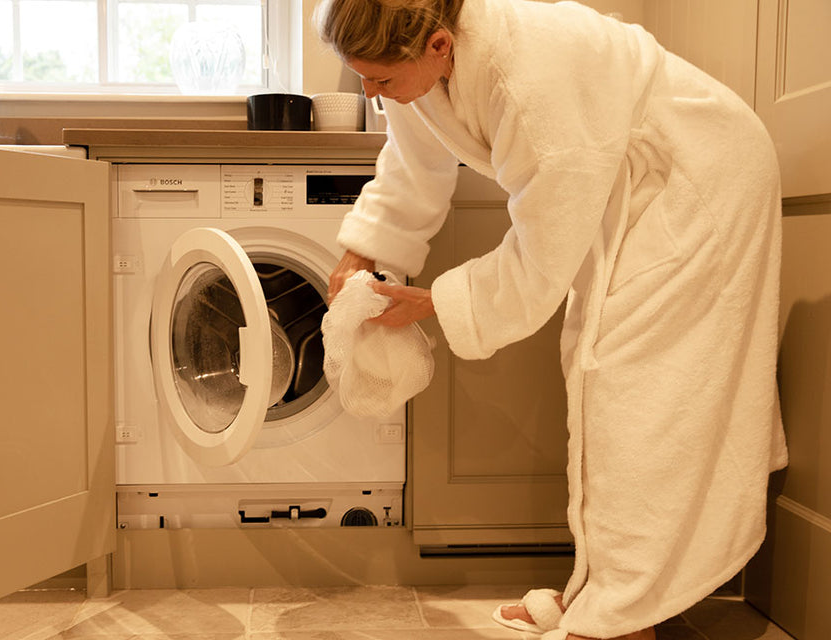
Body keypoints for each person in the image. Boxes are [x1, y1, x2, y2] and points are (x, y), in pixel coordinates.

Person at [314, 0, 789, 639]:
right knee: (600, 372)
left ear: (437, 46)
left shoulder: (528, 73)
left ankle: (623, 616)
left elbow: (540, 258)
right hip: (628, 185)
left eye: (380, 79)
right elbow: (412, 167)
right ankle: (607, 590)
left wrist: (434, 304)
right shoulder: (427, 69)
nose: (372, 94)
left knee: (637, 387)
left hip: (696, 180)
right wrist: (360, 251)